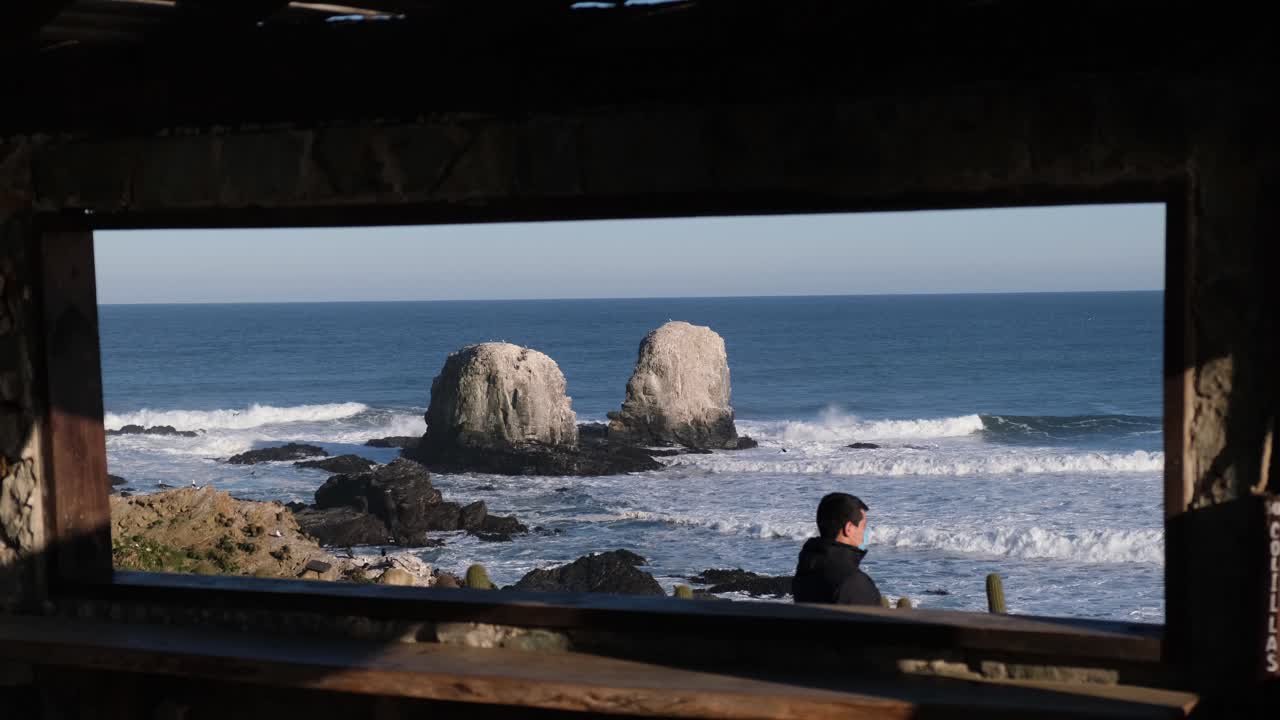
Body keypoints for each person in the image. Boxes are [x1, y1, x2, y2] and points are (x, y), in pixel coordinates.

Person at [792, 492, 882, 606]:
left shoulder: (806, 566)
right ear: (848, 528)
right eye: (863, 527)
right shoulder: (854, 582)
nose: (866, 532)